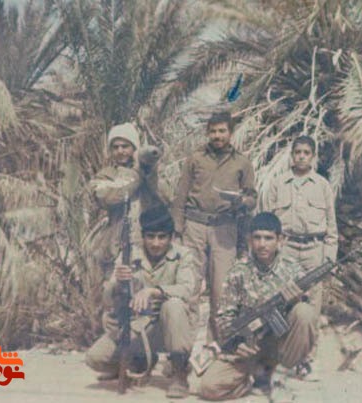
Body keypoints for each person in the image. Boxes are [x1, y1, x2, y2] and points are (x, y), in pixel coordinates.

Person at [198, 212, 317, 402]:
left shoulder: (292, 269)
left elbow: (304, 324)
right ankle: (252, 379)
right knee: (209, 388)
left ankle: (282, 375)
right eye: (257, 237)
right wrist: (237, 344)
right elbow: (224, 318)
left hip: (279, 347)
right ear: (249, 240)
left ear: (280, 240)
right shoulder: (238, 271)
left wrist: (296, 301)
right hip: (249, 347)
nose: (262, 244)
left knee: (305, 312)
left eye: (268, 238)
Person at [85, 205, 197, 398]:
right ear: (143, 236)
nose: (156, 243)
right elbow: (107, 299)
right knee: (95, 358)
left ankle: (179, 373)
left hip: (171, 327)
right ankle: (140, 362)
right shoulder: (129, 255)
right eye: (150, 237)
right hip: (138, 326)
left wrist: (154, 291)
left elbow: (187, 289)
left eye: (162, 237)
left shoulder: (183, 255)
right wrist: (117, 283)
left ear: (171, 237)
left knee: (174, 305)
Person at [171, 111, 257, 341]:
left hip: (225, 229)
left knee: (221, 290)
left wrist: (243, 201)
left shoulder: (242, 163)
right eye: (213, 131)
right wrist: (177, 230)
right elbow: (181, 195)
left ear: (230, 132)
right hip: (195, 227)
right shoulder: (195, 159)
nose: (217, 136)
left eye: (222, 131)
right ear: (207, 133)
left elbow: (252, 198)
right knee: (190, 287)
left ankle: (217, 344)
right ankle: (184, 346)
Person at [259, 136, 338, 379]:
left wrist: (329, 260)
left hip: (314, 250)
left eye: (306, 152)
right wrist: (270, 254)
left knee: (312, 306)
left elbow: (332, 228)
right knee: (281, 301)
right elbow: (268, 222)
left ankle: (307, 359)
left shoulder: (322, 185)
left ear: (313, 156)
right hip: (287, 249)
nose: (301, 156)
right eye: (298, 152)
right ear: (292, 155)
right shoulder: (279, 184)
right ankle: (280, 356)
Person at [85, 123, 162, 279]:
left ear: (134, 148)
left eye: (125, 146)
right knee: (113, 289)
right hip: (117, 245)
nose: (120, 151)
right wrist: (136, 172)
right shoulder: (105, 175)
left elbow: (167, 197)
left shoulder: (151, 172)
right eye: (115, 147)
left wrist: (150, 173)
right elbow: (109, 197)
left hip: (150, 244)